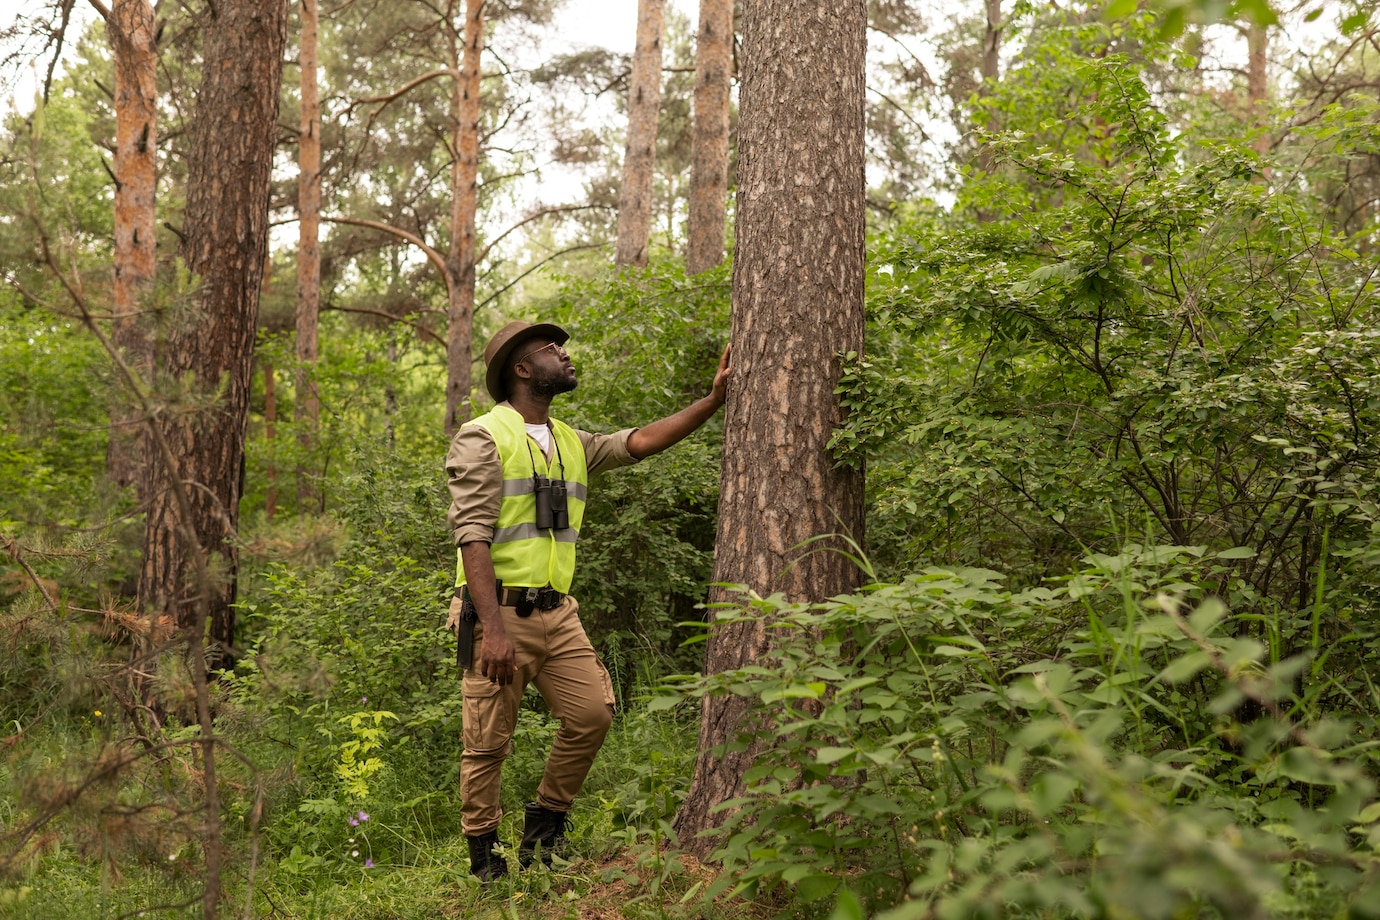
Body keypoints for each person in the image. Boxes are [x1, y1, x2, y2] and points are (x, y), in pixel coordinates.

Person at [445, 320, 731, 881]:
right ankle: (485, 861)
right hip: (498, 614)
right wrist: (494, 632)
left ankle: (543, 830)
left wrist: (714, 400)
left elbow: (641, 441)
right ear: (522, 370)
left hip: (558, 612)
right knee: (487, 743)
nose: (565, 355)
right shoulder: (484, 436)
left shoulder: (572, 442)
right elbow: (473, 536)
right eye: (551, 350)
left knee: (593, 713)